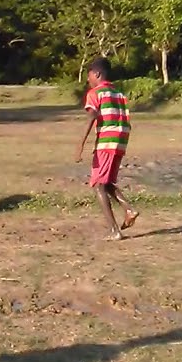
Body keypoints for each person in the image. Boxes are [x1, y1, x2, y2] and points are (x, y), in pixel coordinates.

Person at [76, 57, 138, 240]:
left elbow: (92, 115)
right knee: (107, 182)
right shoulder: (118, 93)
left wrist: (81, 143)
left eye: (89, 76)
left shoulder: (95, 93)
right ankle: (129, 209)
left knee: (97, 184)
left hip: (106, 141)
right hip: (121, 141)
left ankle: (114, 231)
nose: (88, 80)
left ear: (97, 74)